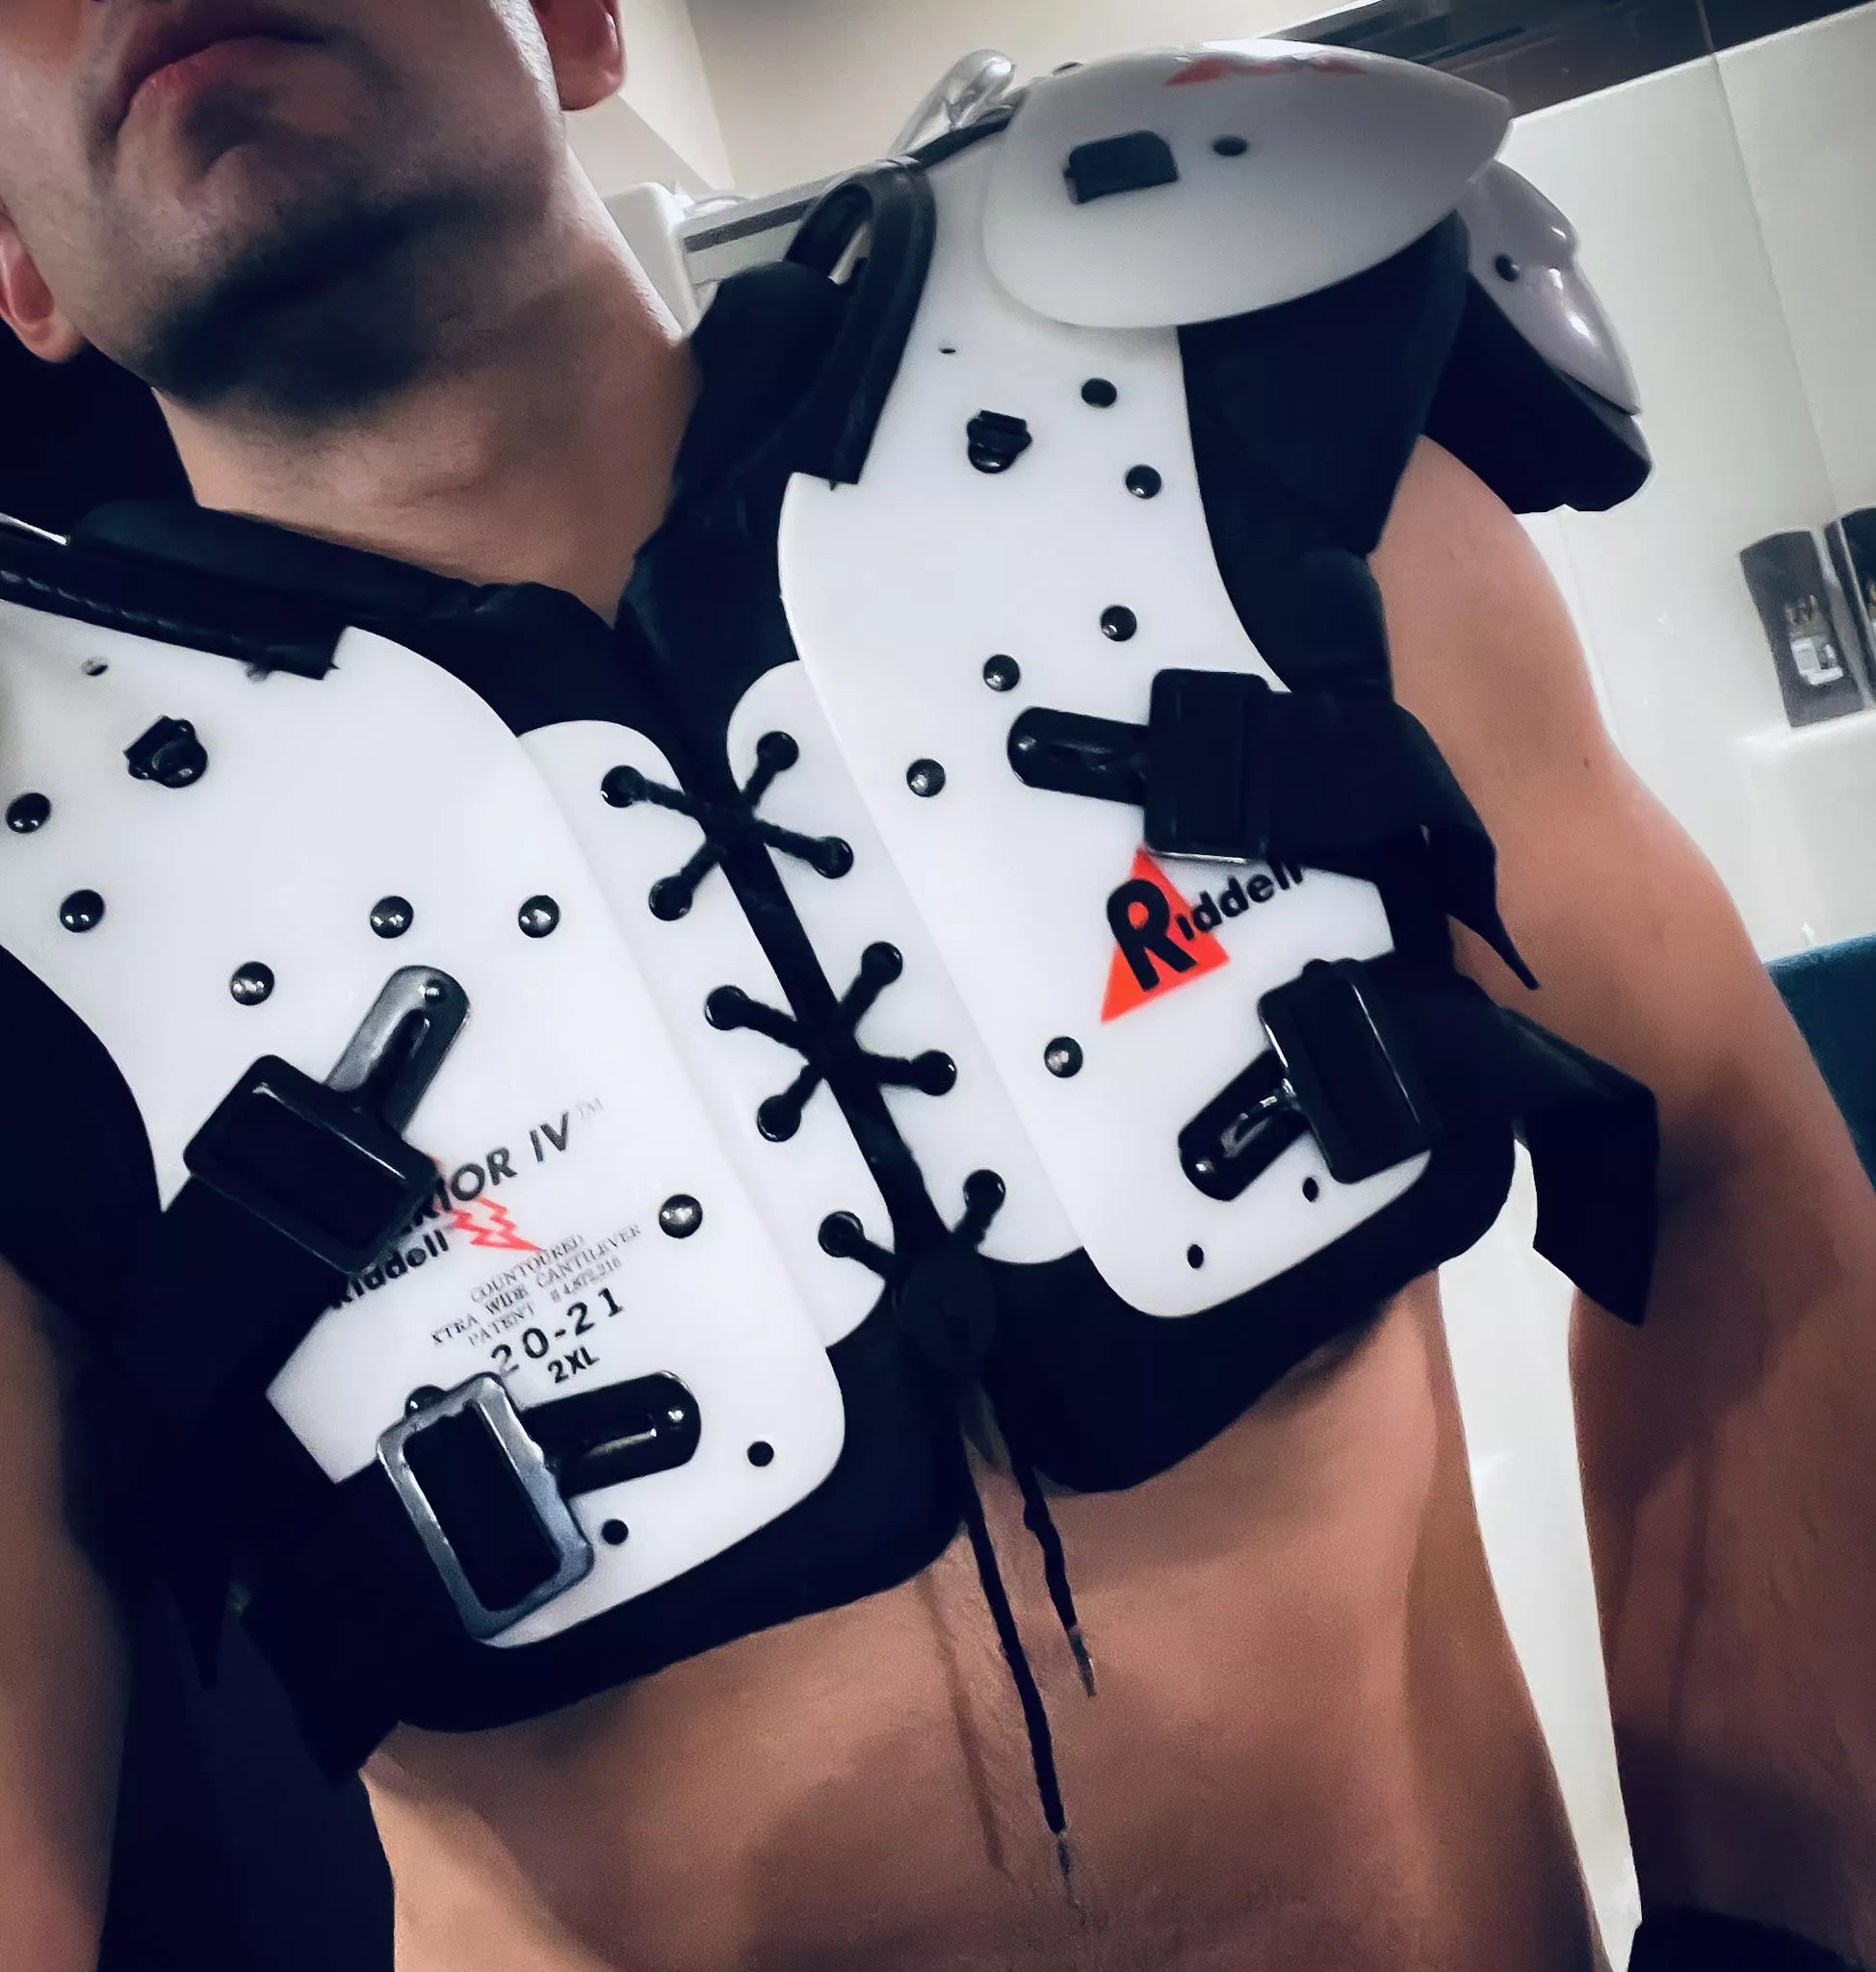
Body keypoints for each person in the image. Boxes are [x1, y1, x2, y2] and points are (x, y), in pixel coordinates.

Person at [0, 5, 1869, 1970]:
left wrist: (1776, 1935)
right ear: (16, 269)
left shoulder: (1221, 477)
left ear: (578, 23)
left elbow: (1730, 1165)